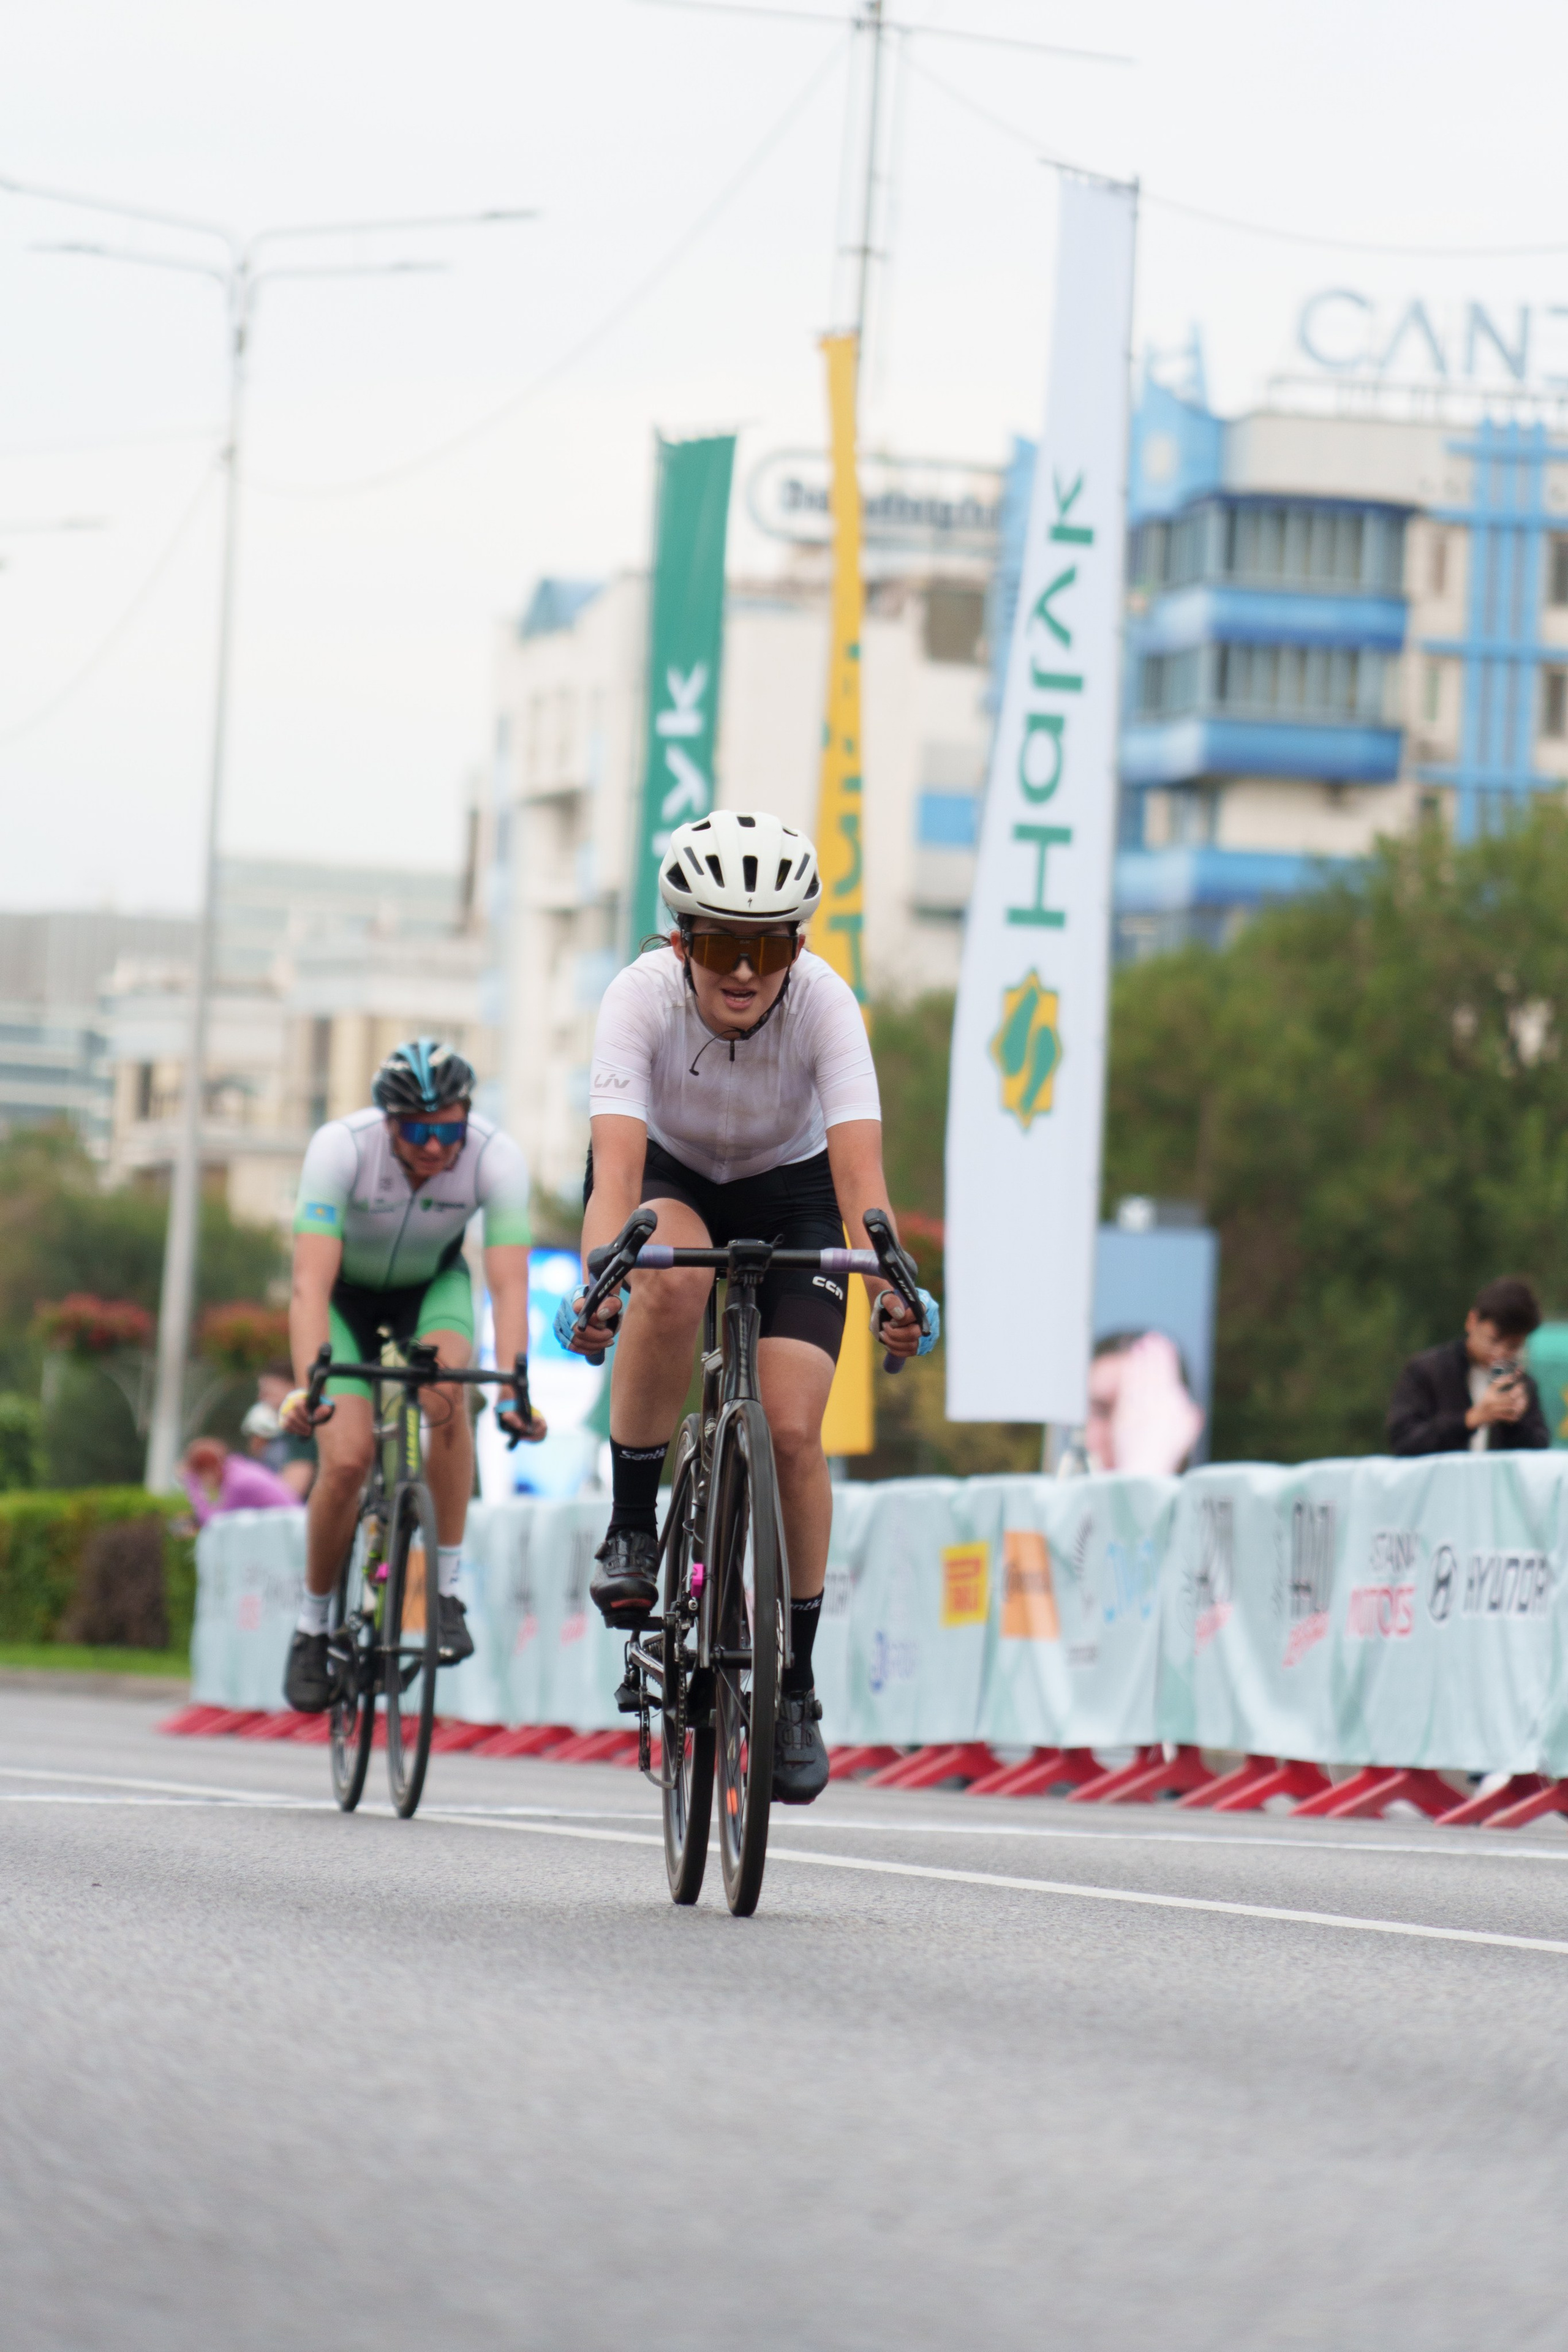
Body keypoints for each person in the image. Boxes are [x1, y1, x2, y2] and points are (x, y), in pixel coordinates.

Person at [564, 811, 935, 1806]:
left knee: (791, 1429)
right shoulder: (637, 998)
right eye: (721, 945)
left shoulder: (826, 1004)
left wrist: (894, 1284)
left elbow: (862, 1180)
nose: (743, 971)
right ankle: (634, 1524)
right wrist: (602, 1274)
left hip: (794, 1190)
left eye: (766, 946)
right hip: (674, 1178)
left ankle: (798, 1688)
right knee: (673, 1278)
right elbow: (616, 1174)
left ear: (795, 948)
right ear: (681, 942)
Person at [276, 1039, 542, 1711]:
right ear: (388, 1123)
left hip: (432, 1291)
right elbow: (309, 1287)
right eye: (419, 1132)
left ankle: (442, 1594)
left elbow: (511, 1289)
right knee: (345, 1462)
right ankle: (311, 1628)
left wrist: (515, 1386)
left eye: (448, 1130)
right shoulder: (340, 1149)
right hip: (343, 1301)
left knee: (449, 1395)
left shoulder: (495, 1156)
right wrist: (312, 1385)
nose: (435, 1148)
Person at [1386, 1277, 1551, 1456]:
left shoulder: (1521, 1384)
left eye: (1513, 1347)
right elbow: (1403, 1443)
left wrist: (1514, 1422)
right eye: (1493, 1341)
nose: (1500, 1353)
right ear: (1472, 1321)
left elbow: (1538, 1455)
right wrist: (1471, 1419)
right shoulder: (1427, 1371)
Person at [180, 1435, 298, 1527]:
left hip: (289, 1532)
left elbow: (213, 1523)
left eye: (199, 1475)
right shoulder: (237, 1471)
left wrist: (192, 1484)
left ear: (209, 1469)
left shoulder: (239, 1483)